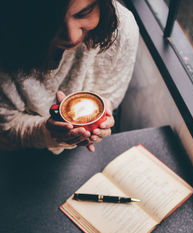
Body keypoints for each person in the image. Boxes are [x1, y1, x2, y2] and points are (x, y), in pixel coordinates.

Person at [0, 0, 139, 154]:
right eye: (52, 23)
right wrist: (47, 132)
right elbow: (6, 127)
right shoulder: (7, 41)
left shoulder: (123, 29)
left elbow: (109, 98)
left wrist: (102, 120)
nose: (71, 36)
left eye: (83, 13)